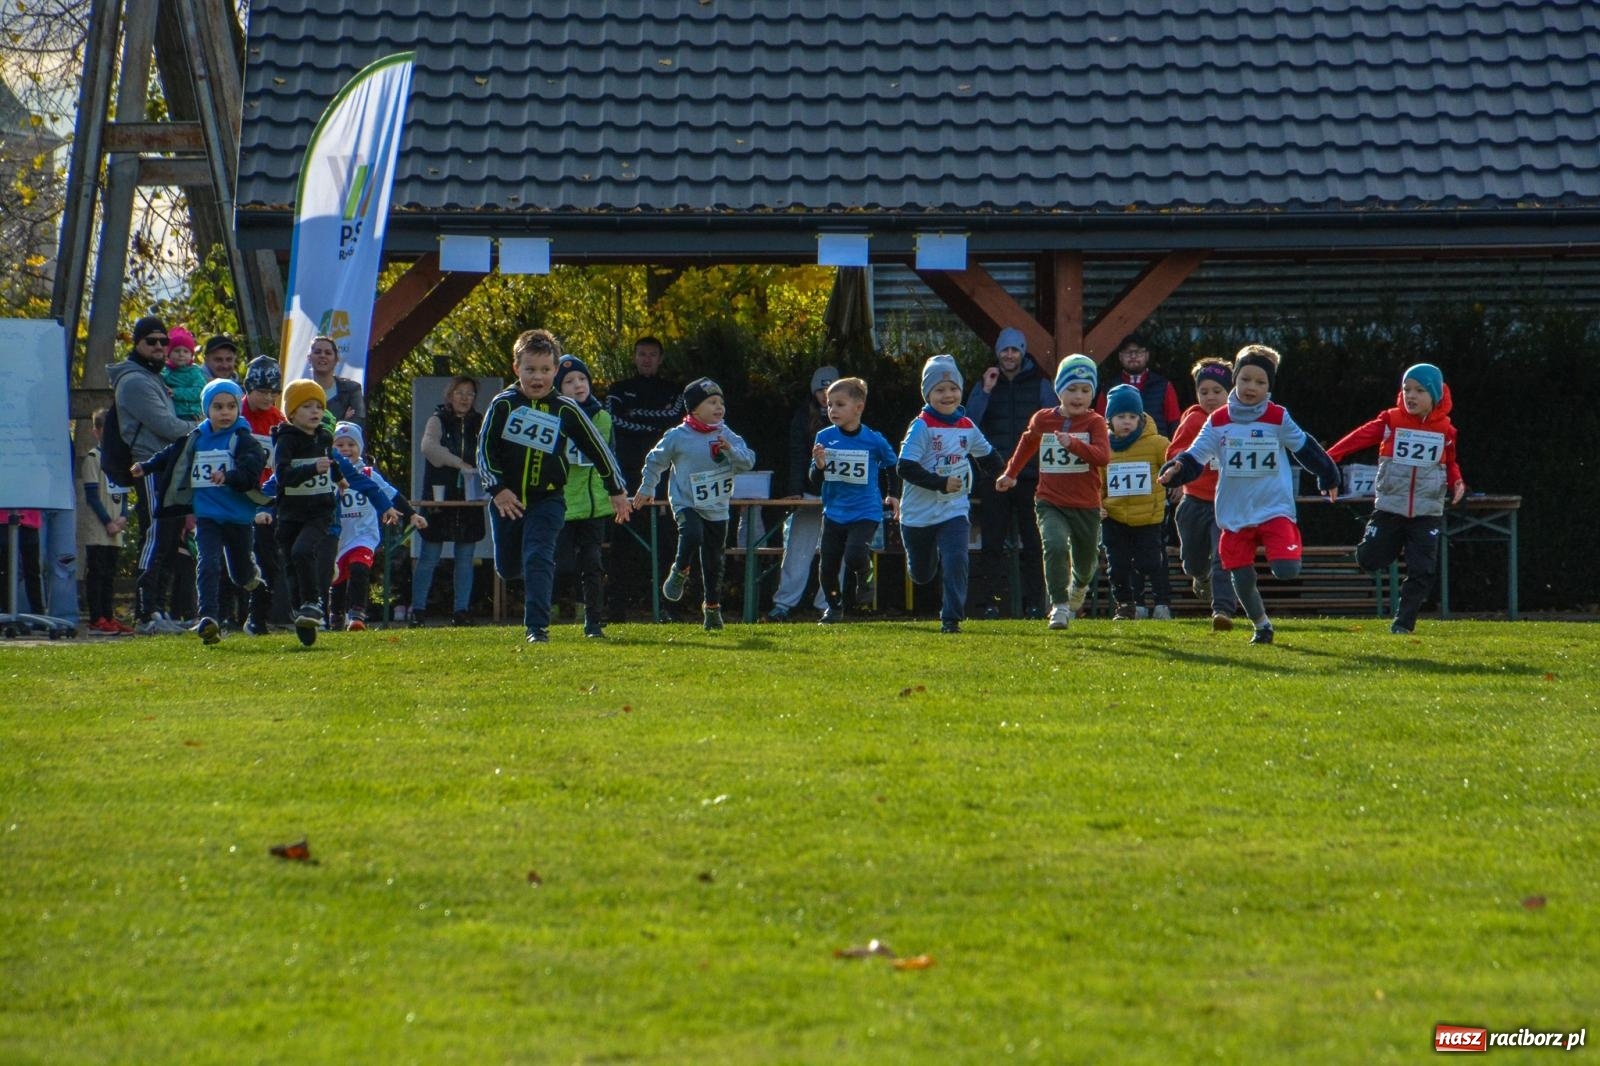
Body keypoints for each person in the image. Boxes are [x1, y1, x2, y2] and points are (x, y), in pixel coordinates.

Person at [1158, 345, 1341, 645]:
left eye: (1260, 382)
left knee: (1285, 569)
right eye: (1245, 380)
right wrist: (1176, 470)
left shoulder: (1277, 417)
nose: (1251, 387)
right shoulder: (1217, 421)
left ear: (1269, 386)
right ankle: (1261, 625)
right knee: (1240, 576)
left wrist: (1328, 474)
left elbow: (1304, 447)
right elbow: (1195, 456)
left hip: (1273, 509)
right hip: (1234, 514)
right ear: (1236, 381)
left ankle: (1282, 557)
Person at [479, 329, 631, 644]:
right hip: (508, 499)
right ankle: (526, 583)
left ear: (555, 369)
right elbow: (484, 451)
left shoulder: (565, 408)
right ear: (516, 369)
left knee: (538, 554)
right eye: (530, 370)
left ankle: (537, 628)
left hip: (547, 499)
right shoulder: (503, 405)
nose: (538, 377)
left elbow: (597, 448)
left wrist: (615, 489)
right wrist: (497, 489)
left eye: (546, 370)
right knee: (508, 567)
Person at [1327, 363, 1466, 635]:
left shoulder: (1446, 430)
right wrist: (1329, 457)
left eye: (1420, 390)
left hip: (1427, 511)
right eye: (1406, 389)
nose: (1411, 396)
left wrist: (1457, 481)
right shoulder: (1391, 420)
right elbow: (1359, 437)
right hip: (1390, 507)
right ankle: (1377, 546)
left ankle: (1403, 623)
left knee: (1423, 570)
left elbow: (1450, 462)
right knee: (1370, 559)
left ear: (1436, 395)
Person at [129, 378, 269, 645]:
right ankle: (208, 618)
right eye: (217, 407)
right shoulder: (197, 437)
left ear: (238, 409)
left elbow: (252, 469)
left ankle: (258, 588)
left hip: (237, 517)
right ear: (207, 409)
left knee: (241, 574)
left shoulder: (243, 438)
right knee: (208, 562)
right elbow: (171, 453)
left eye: (230, 406)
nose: (225, 413)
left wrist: (229, 477)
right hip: (207, 516)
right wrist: (146, 467)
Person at [270, 378, 394, 646]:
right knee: (291, 567)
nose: (315, 412)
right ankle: (303, 617)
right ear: (291, 413)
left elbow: (334, 464)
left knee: (303, 552)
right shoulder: (285, 442)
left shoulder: (326, 437)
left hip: (319, 512)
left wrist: (338, 478)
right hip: (290, 514)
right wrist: (313, 469)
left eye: (318, 406)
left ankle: (314, 603)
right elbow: (283, 477)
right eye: (307, 407)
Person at [995, 354, 1109, 630]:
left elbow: (1103, 456)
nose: (1078, 396)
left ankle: (1078, 588)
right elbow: (1027, 442)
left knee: (1086, 562)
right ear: (1059, 390)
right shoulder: (1043, 419)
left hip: (1085, 504)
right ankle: (1058, 606)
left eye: (1085, 390)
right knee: (1055, 546)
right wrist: (1011, 473)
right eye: (1071, 389)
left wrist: (1073, 444)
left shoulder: (1094, 423)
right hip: (1050, 500)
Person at [635, 376, 756, 632]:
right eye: (711, 402)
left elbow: (748, 462)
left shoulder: (726, 433)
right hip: (686, 501)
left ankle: (712, 609)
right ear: (694, 408)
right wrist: (647, 488)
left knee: (714, 561)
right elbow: (655, 461)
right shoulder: (678, 436)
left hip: (717, 506)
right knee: (691, 533)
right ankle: (679, 570)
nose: (719, 407)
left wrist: (731, 451)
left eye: (721, 402)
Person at [897, 354, 999, 634]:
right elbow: (904, 468)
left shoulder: (966, 425)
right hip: (917, 515)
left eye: (953, 388)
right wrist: (940, 483)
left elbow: (988, 456)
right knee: (921, 574)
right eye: (940, 390)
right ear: (928, 394)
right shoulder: (921, 426)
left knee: (957, 559)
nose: (948, 394)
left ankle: (951, 619)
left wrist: (1005, 477)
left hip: (953, 510)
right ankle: (920, 564)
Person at [107, 315, 195, 634]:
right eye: (151, 341)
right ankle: (146, 614)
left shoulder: (152, 377)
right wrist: (207, 429)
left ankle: (158, 610)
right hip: (150, 464)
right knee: (156, 535)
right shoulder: (135, 381)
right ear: (137, 344)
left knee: (170, 539)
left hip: (169, 464)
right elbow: (167, 427)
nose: (159, 347)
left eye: (163, 341)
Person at [965, 327, 1054, 619]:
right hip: (994, 474)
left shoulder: (1041, 384)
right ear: (997, 353)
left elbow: (1054, 421)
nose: (1009, 355)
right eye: (1005, 350)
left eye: (1014, 349)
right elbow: (969, 422)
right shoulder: (986, 383)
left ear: (1022, 351)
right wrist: (986, 390)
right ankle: (991, 602)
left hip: (1031, 475)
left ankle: (1034, 604)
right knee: (992, 542)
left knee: (1033, 543)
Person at [807, 376, 898, 624]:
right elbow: (815, 479)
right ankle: (834, 608)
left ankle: (865, 573)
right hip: (834, 510)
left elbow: (892, 464)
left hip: (865, 510)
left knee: (856, 555)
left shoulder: (873, 439)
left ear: (858, 407)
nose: (832, 410)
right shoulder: (824, 437)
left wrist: (893, 493)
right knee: (827, 567)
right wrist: (820, 465)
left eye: (839, 404)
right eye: (829, 405)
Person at [605, 336, 683, 617]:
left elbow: (673, 423)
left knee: (666, 544)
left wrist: (638, 416)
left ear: (661, 358)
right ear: (634, 357)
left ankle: (667, 607)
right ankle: (616, 609)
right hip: (625, 478)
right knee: (622, 544)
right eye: (641, 354)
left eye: (652, 354)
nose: (647, 359)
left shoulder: (673, 391)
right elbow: (615, 421)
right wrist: (651, 422)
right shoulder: (619, 390)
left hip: (663, 480)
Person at [1167, 358, 1240, 630]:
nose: (1210, 397)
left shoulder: (1240, 419)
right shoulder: (1194, 419)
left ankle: (1222, 610)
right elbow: (1175, 451)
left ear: (1230, 392)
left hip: (1227, 503)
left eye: (1217, 392)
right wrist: (1181, 467)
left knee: (1224, 557)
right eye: (1204, 392)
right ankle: (1200, 576)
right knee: (1193, 560)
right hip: (1194, 501)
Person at [330, 422, 426, 631]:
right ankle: (335, 615)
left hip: (363, 535)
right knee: (336, 578)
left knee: (359, 567)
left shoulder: (368, 474)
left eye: (351, 444)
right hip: (338, 536)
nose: (345, 449)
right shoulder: (329, 474)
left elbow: (391, 494)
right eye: (339, 445)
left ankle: (357, 613)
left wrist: (411, 514)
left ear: (360, 448)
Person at [411, 375, 486, 627]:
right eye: (460, 392)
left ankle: (461, 611)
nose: (465, 398)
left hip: (470, 497)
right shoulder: (438, 419)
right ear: (450, 395)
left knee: (465, 558)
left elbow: (490, 450)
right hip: (439, 495)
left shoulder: (480, 422)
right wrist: (460, 464)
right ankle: (418, 611)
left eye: (470, 394)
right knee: (429, 555)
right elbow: (429, 448)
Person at [766, 365, 837, 622]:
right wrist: (795, 491)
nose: (825, 395)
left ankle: (829, 604)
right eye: (821, 390)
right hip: (809, 494)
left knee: (834, 551)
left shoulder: (853, 421)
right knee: (797, 549)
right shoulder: (802, 418)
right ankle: (784, 604)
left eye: (830, 389)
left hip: (840, 498)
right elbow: (797, 456)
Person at [552, 356, 616, 638]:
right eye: (569, 381)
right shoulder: (554, 416)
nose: (578, 385)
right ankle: (545, 614)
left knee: (593, 564)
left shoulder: (603, 417)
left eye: (582, 379)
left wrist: (617, 492)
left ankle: (593, 622)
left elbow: (612, 458)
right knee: (560, 564)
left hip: (594, 505)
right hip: (563, 505)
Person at [1099, 385, 1173, 621]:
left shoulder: (1157, 443)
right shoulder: (1102, 446)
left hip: (1148, 518)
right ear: (1109, 420)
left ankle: (1157, 601)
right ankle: (1125, 605)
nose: (1127, 422)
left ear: (1141, 418)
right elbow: (1097, 479)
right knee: (1117, 566)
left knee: (1149, 563)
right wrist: (1097, 503)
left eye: (1132, 416)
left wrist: (1178, 482)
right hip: (1113, 516)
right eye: (1121, 417)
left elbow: (1174, 464)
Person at [239, 355, 290, 633]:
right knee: (236, 559)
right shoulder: (236, 415)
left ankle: (258, 617)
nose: (268, 397)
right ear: (248, 388)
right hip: (237, 498)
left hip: (267, 500)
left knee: (267, 558)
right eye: (262, 391)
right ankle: (225, 615)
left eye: (273, 392)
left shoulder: (277, 419)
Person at [78, 409, 133, 633]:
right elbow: (92, 495)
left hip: (115, 526)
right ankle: (96, 617)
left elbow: (124, 492)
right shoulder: (93, 458)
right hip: (99, 527)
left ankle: (109, 616)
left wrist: (123, 517)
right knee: (97, 571)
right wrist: (107, 521)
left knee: (110, 573)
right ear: (97, 432)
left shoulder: (119, 459)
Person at [1094, 333, 1182, 437]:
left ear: (1147, 355)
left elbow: (1174, 423)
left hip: (1156, 449)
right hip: (1119, 449)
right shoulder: (1108, 388)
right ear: (1120, 357)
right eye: (1128, 352)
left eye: (1138, 352)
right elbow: (1099, 424)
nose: (1133, 356)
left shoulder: (1164, 385)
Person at [303, 335, 366, 425]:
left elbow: (356, 425)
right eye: (317, 352)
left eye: (328, 353)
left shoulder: (352, 390)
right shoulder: (300, 391)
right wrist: (341, 423)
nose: (322, 355)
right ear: (309, 358)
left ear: (336, 359)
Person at [162, 327, 207, 421]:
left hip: (192, 414)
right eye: (177, 351)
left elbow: (199, 391)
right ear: (169, 354)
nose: (181, 354)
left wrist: (175, 392)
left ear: (191, 355)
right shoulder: (164, 371)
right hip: (171, 414)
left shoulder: (194, 372)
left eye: (186, 351)